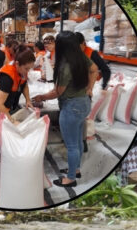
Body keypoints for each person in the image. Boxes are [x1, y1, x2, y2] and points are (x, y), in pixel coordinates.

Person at [32, 31, 98, 187]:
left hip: (71, 107)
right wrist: (89, 88)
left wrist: (41, 97)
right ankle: (75, 170)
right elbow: (94, 69)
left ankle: (70, 179)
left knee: (71, 145)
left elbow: (57, 92)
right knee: (78, 140)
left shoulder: (65, 66)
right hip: (84, 103)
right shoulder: (80, 57)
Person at [0, 45, 35, 165]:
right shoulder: (8, 77)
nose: (28, 72)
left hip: (3, 102)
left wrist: (28, 100)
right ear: (17, 64)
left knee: (6, 124)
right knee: (2, 125)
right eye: (26, 68)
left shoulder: (21, 72)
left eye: (30, 69)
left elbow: (24, 84)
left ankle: (6, 150)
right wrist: (11, 120)